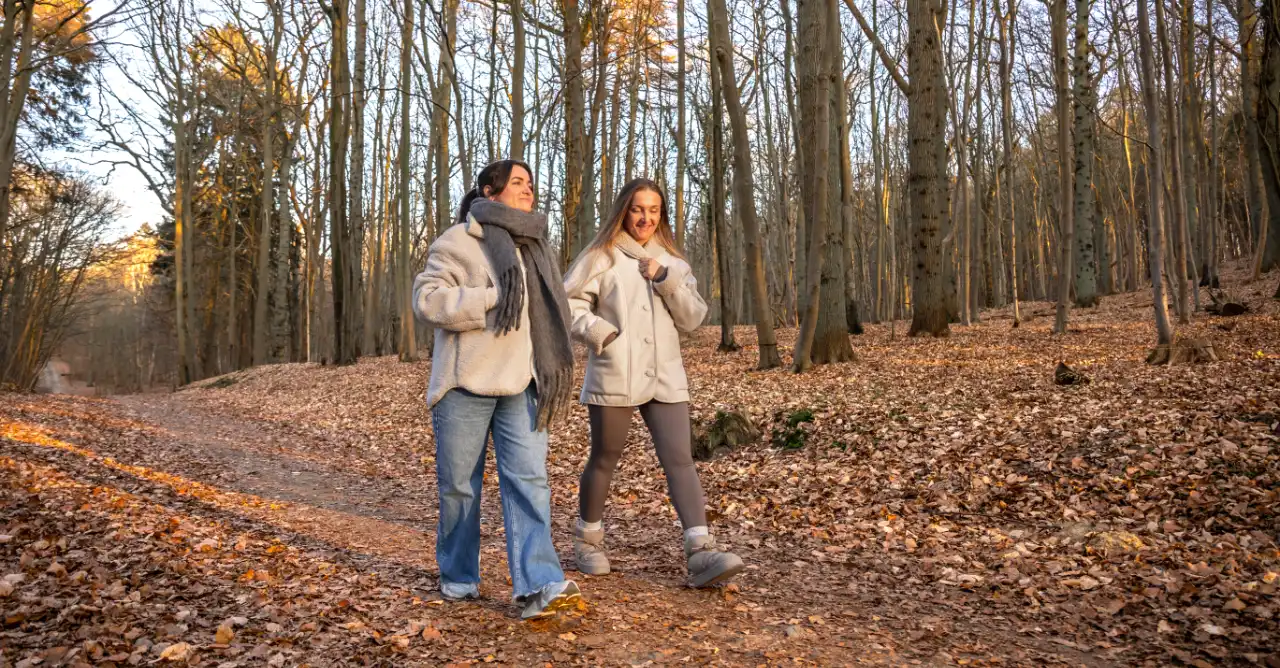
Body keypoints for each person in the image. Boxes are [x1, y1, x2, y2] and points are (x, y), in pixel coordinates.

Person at [412, 159, 580, 619]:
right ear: (490, 192)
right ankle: (459, 575)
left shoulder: (536, 244)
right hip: (466, 381)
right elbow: (427, 301)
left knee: (529, 482)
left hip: (523, 382)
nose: (528, 189)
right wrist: (492, 298)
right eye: (518, 182)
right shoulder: (458, 240)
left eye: (530, 183)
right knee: (460, 488)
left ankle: (538, 583)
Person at [563, 177, 744, 588]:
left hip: (665, 373)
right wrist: (599, 332)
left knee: (680, 458)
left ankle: (700, 551)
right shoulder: (600, 256)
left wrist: (665, 278)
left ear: (662, 215)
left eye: (654, 210)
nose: (645, 217)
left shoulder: (674, 262)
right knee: (605, 456)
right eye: (637, 209)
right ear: (623, 211)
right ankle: (587, 539)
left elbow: (694, 318)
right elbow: (567, 302)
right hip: (616, 369)